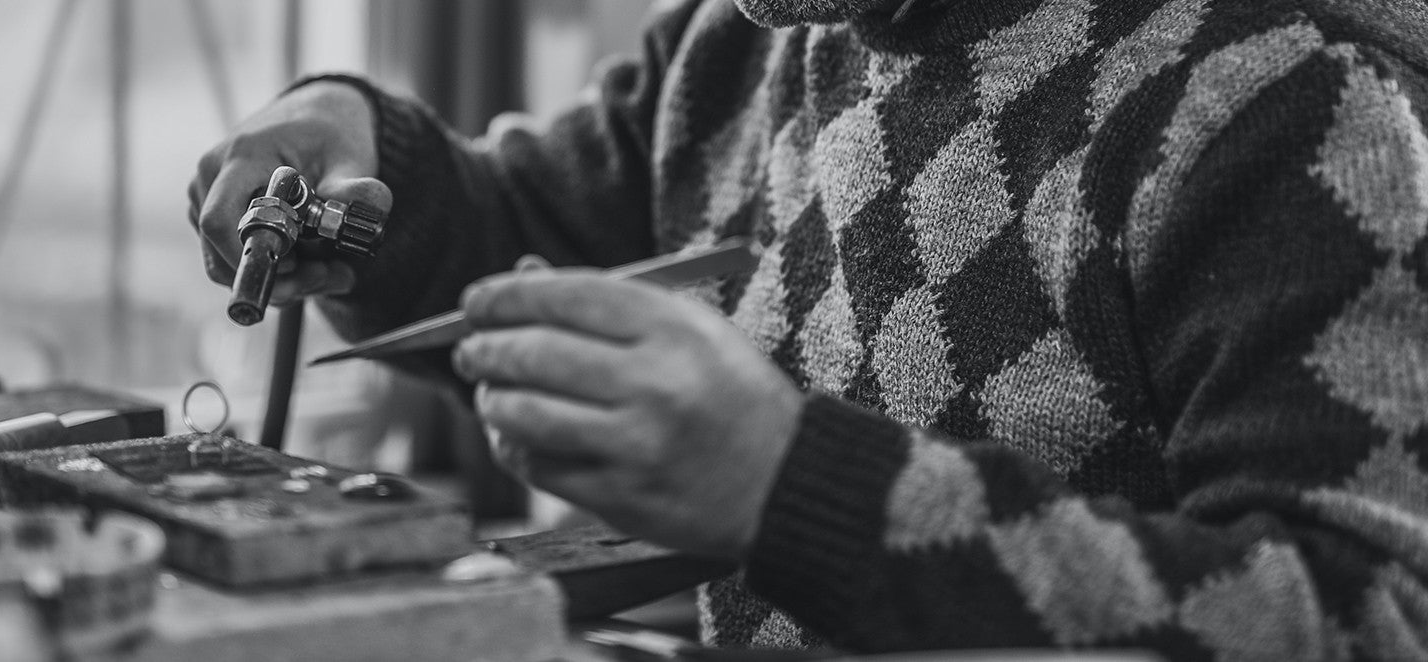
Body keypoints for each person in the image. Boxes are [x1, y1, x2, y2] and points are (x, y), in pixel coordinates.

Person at [188, 0, 1428, 656]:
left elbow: (1367, 621)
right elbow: (512, 232)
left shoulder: (1298, 101)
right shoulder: (748, 45)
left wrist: (793, 485)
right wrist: (353, 149)